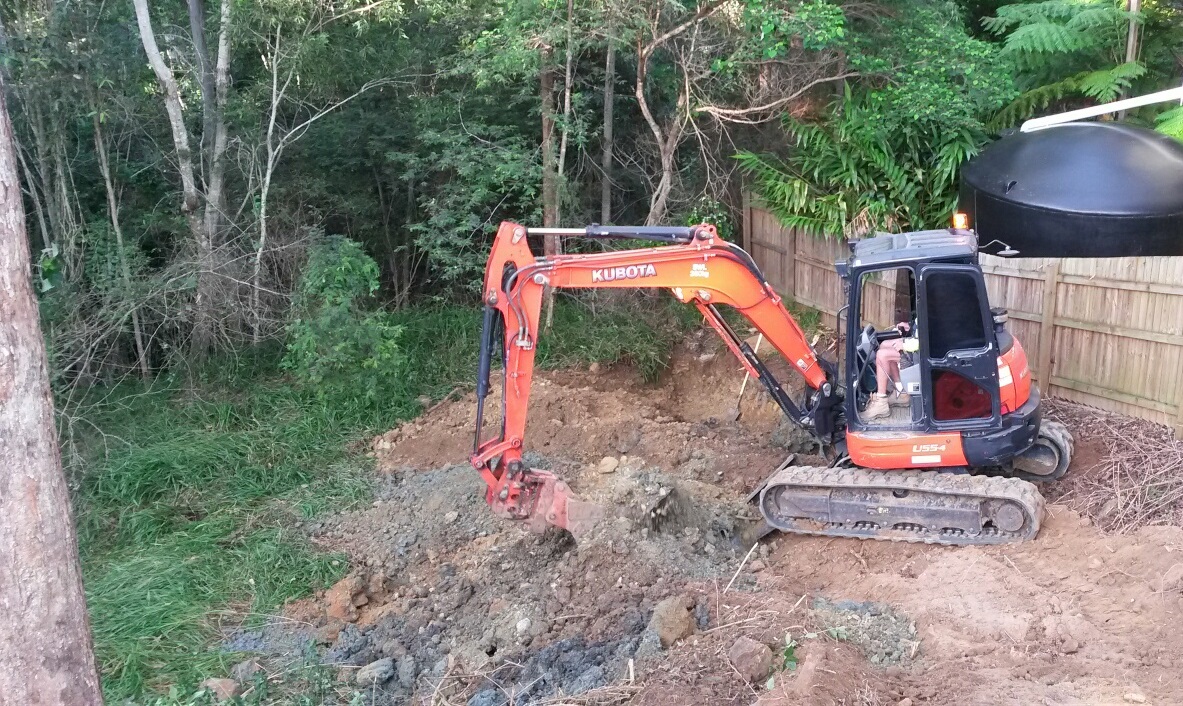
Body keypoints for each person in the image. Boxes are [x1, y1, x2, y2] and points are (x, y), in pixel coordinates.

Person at [862, 322, 913, 421]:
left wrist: (905, 344)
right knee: (884, 345)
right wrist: (909, 326)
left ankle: (881, 402)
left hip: (922, 350)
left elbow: (925, 339)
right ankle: (901, 391)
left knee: (882, 355)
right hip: (917, 343)